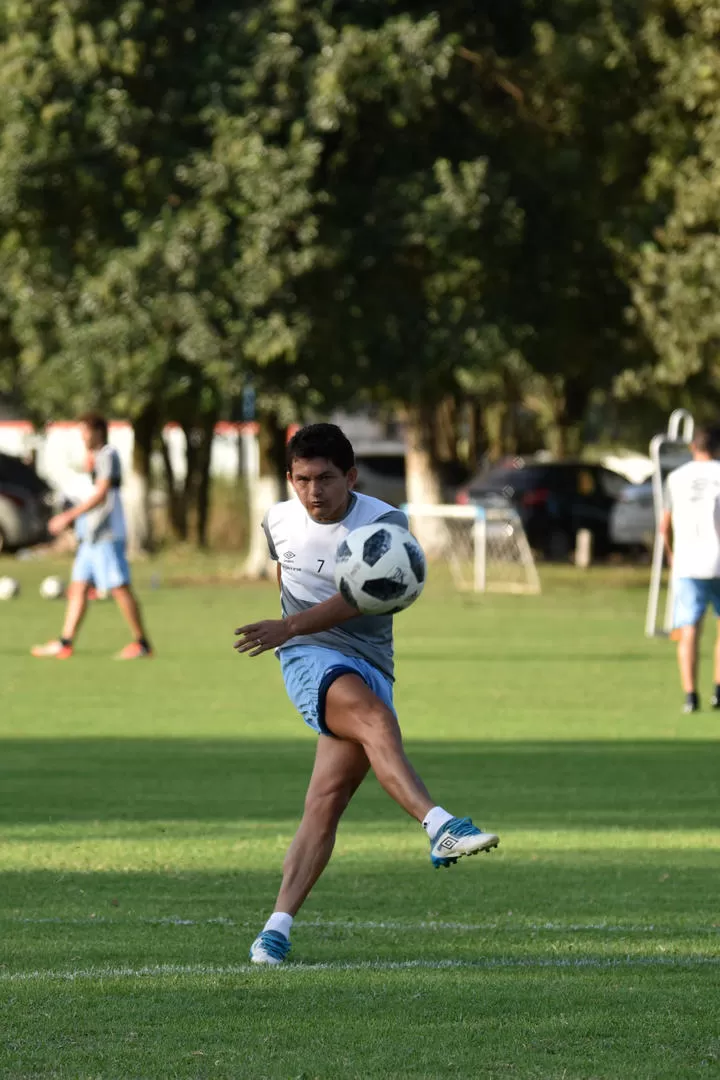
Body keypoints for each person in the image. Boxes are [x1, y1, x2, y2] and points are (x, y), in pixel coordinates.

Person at [234, 423, 499, 966]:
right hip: (308, 657)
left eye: (326, 479)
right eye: (302, 479)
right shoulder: (277, 520)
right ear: (289, 478)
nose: (314, 492)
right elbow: (287, 578)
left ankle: (274, 932)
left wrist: (290, 625)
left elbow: (366, 599)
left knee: (325, 803)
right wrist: (293, 635)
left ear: (350, 476)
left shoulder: (383, 523)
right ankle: (440, 826)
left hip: (369, 661)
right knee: (375, 720)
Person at [31, 412, 153, 660]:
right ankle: (65, 642)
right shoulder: (96, 458)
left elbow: (102, 495)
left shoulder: (108, 454)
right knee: (78, 587)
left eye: (86, 431)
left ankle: (141, 643)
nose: (83, 437)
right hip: (90, 536)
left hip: (107, 533)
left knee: (119, 588)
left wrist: (68, 516)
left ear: (98, 431)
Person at [660, 426, 720, 713]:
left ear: (692, 447)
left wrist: (672, 555)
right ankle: (718, 691)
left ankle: (690, 695)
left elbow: (665, 526)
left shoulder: (676, 477)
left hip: (688, 562)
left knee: (689, 629)